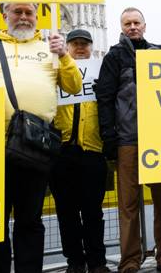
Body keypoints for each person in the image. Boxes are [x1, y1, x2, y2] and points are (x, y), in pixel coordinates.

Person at [0, 2, 83, 273]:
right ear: (5, 15)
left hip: (34, 149)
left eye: (29, 12)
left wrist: (64, 55)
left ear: (37, 16)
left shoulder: (50, 49)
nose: (24, 17)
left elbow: (74, 87)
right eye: (18, 12)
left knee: (30, 220)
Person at [95, 7, 161, 273]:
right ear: (122, 27)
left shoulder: (159, 51)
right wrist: (109, 136)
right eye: (127, 23)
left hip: (158, 137)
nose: (132, 27)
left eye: (136, 23)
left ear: (144, 25)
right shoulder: (114, 56)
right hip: (128, 139)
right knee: (128, 203)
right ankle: (130, 261)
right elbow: (105, 98)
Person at [50, 29, 112, 273]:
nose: (80, 48)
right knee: (66, 214)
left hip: (92, 151)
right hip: (62, 151)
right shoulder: (56, 72)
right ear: (67, 46)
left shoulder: (100, 74)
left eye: (84, 44)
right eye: (75, 44)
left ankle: (97, 263)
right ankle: (75, 262)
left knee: (93, 213)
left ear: (91, 47)